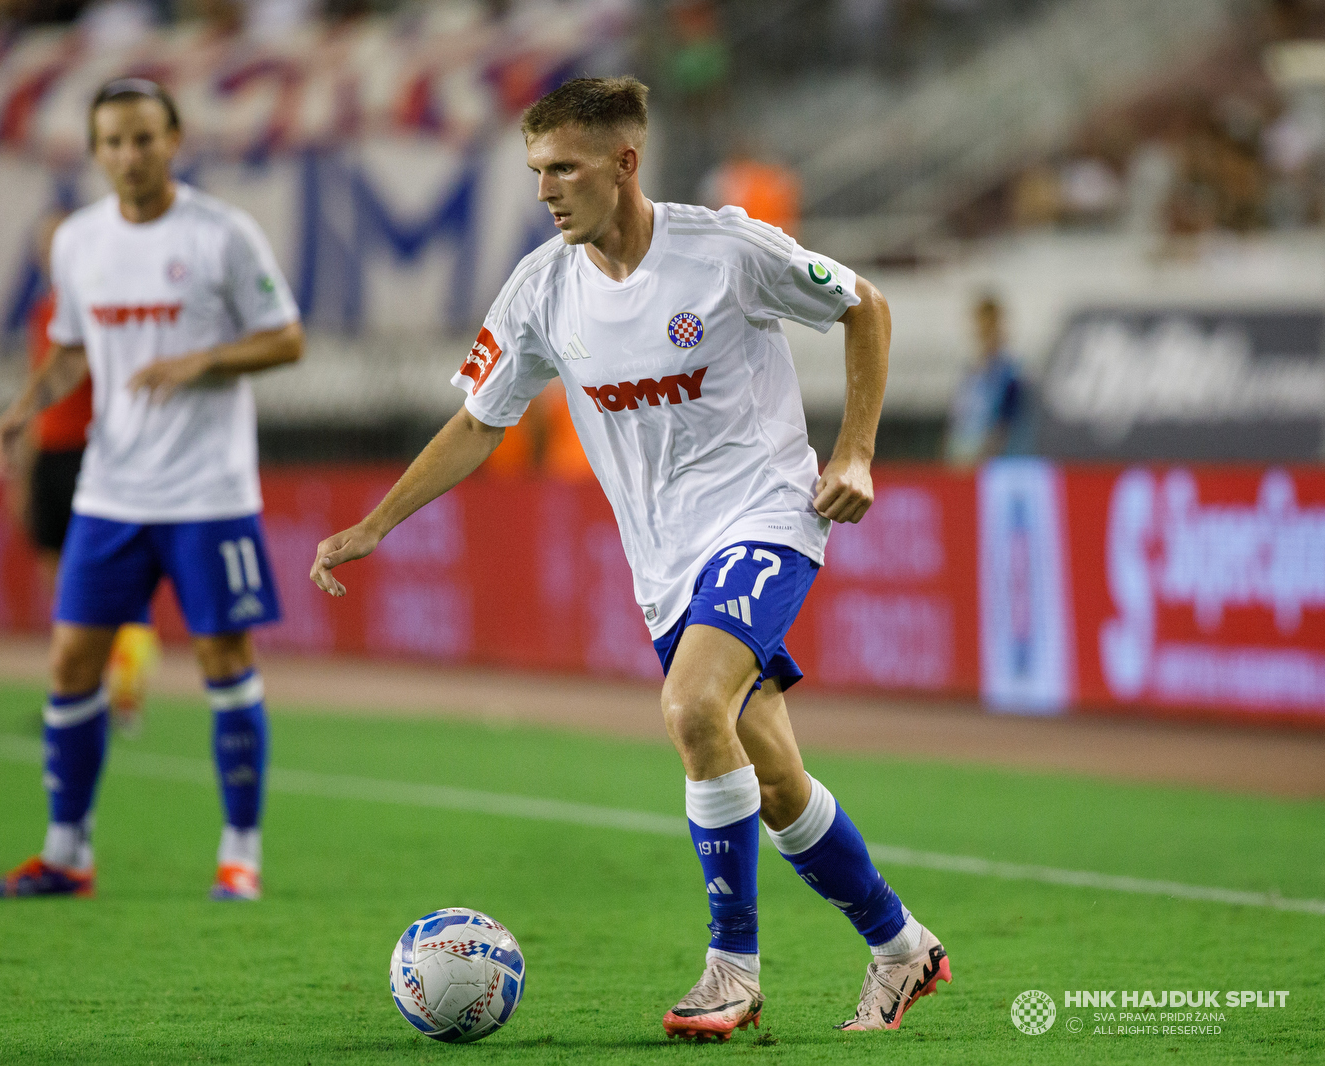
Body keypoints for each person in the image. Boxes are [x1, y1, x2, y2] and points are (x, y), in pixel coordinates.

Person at [310, 77, 948, 1037]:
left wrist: (855, 448)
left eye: (563, 167)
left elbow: (866, 306)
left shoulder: (726, 249)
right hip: (664, 563)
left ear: (624, 162)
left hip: (769, 513)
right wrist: (376, 523)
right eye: (536, 171)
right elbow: (481, 421)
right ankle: (901, 948)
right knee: (771, 779)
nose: (546, 191)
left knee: (693, 707)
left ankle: (730, 968)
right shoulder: (542, 287)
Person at [0, 77, 305, 902]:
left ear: (175, 139)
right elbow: (67, 348)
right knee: (69, 662)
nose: (130, 155)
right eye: (114, 142)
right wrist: (23, 408)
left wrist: (203, 360)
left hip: (208, 491)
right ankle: (66, 853)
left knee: (223, 660)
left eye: (144, 138)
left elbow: (287, 339)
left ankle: (241, 854)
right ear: (95, 152)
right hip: (111, 489)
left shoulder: (222, 235)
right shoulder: (80, 242)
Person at [8, 211, 161, 734]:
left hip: (95, 457)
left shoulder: (109, 308)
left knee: (110, 582)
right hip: (50, 456)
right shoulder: (43, 312)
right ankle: (79, 695)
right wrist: (22, 471)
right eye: (47, 244)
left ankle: (125, 698)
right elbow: (39, 391)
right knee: (63, 586)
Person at [945, 295, 1025, 466]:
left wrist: (988, 450)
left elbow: (1008, 420)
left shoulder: (1008, 370)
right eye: (979, 324)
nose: (982, 330)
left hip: (993, 457)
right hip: (965, 451)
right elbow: (961, 415)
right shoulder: (972, 369)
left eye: (988, 325)